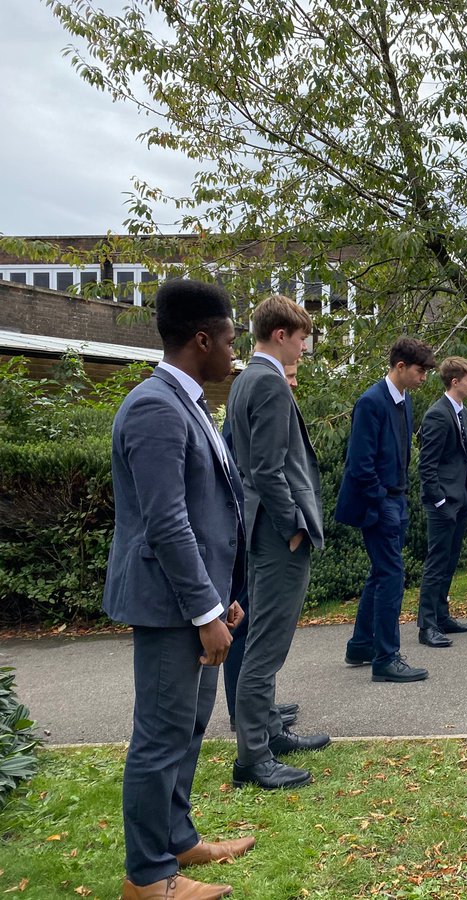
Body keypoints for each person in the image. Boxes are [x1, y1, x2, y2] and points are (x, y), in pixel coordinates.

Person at [104, 278, 253, 900]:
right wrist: (204, 611)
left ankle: (178, 838)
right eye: (230, 339)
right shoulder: (155, 408)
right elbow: (166, 523)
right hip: (171, 607)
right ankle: (148, 877)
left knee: (188, 726)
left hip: (197, 601)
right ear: (202, 339)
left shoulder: (186, 401)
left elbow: (207, 509)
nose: (234, 351)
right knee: (160, 737)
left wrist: (222, 596)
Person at [226, 295, 328, 790]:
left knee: (262, 639)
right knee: (266, 645)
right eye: (302, 337)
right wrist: (292, 526)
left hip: (262, 528)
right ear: (280, 334)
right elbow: (267, 470)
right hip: (276, 533)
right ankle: (253, 758)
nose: (305, 347)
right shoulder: (267, 381)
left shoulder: (245, 379)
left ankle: (268, 734)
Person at [335, 337, 437, 681]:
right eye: (420, 371)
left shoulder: (404, 400)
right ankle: (386, 659)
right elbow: (359, 463)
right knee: (392, 576)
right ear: (400, 366)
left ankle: (361, 645)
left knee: (381, 573)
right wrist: (382, 500)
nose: (424, 377)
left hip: (397, 498)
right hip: (380, 503)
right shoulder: (371, 402)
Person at [221, 360, 300, 733]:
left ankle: (257, 708)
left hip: (246, 519)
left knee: (250, 617)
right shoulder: (259, 393)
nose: (292, 384)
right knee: (244, 617)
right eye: (290, 376)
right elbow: (251, 468)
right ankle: (246, 713)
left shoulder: (244, 391)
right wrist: (292, 526)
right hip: (248, 522)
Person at [416, 356, 467, 648]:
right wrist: (440, 501)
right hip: (442, 504)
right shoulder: (437, 414)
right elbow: (426, 465)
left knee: (450, 561)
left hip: (460, 499)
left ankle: (442, 617)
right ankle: (427, 625)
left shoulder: (462, 412)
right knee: (437, 563)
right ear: (455, 382)